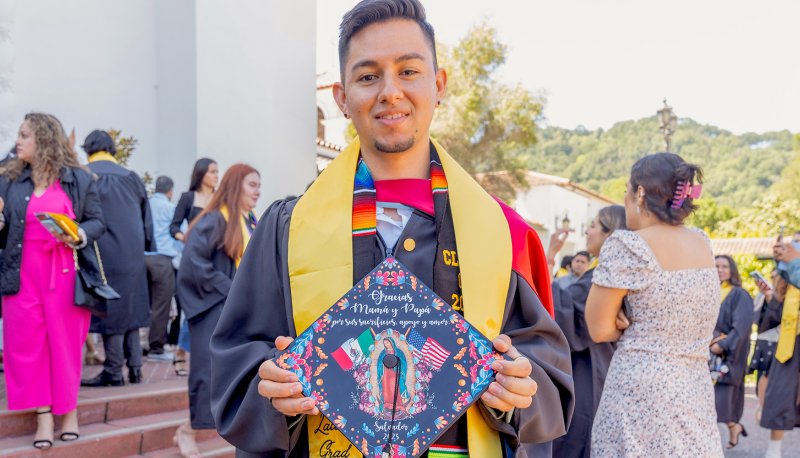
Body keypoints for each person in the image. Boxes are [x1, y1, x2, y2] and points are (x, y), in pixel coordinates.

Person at [210, 1, 574, 456]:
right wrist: (272, 389)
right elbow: (237, 367)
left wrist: (519, 389)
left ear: (438, 85)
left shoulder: (502, 234)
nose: (390, 92)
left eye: (408, 71)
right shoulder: (287, 230)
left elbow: (547, 376)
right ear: (342, 98)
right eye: (368, 77)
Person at [586, 152, 723, 457]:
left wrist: (624, 320)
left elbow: (599, 329)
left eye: (626, 189)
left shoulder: (628, 244)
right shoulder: (701, 242)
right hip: (693, 387)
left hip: (641, 388)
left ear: (640, 193)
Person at [0, 113, 105, 449]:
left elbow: (97, 222)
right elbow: (5, 228)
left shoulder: (79, 179)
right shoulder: (9, 179)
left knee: (65, 345)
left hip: (63, 273)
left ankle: (68, 413)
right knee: (26, 346)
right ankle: (44, 417)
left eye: (24, 135)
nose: (18, 141)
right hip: (20, 274)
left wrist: (78, 235)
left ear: (44, 139)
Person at [173, 163, 260, 457]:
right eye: (252, 185)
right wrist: (231, 289)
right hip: (213, 307)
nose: (257, 192)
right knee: (209, 374)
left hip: (238, 311)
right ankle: (188, 430)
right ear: (236, 186)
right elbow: (194, 265)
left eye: (259, 186)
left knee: (235, 375)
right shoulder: (213, 220)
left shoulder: (250, 222)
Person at [551, 205, 626, 458]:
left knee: (578, 437)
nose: (587, 232)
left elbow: (567, 313)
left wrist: (547, 257)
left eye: (593, 226)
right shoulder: (614, 272)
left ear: (610, 234)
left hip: (589, 368)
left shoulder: (605, 276)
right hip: (605, 365)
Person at [80, 130, 154, 387]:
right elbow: (147, 220)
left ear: (88, 148)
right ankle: (135, 368)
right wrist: (146, 245)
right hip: (132, 252)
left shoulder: (85, 174)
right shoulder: (132, 177)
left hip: (102, 250)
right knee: (130, 307)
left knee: (110, 308)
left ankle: (113, 370)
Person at [169, 158, 219, 376]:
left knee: (212, 308)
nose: (216, 176)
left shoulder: (220, 198)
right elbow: (173, 227)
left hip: (216, 259)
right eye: (212, 171)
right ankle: (181, 350)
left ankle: (202, 353)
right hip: (193, 259)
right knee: (192, 307)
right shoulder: (188, 197)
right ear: (201, 174)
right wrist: (185, 239)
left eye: (217, 172)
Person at [760, 239, 800, 458]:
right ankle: (774, 450)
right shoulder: (789, 280)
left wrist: (793, 261)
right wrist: (782, 262)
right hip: (789, 342)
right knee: (780, 393)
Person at [710, 255, 753, 448]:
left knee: (722, 400)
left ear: (732, 270)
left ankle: (731, 427)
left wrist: (722, 346)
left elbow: (741, 327)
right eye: (716, 266)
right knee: (708, 400)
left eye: (725, 266)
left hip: (727, 355)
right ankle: (734, 426)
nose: (720, 270)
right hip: (707, 353)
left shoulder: (739, 295)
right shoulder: (709, 292)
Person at [145, 175, 180, 360]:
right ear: (170, 191)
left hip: (142, 258)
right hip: (162, 260)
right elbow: (180, 235)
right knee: (161, 305)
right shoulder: (170, 208)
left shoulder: (146, 205)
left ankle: (140, 344)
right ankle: (156, 348)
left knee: (144, 303)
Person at [748, 270, 782, 419]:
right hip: (765, 343)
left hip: (782, 343)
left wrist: (771, 299)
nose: (774, 280)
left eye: (778, 277)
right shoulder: (763, 296)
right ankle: (762, 408)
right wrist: (766, 296)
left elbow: (778, 319)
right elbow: (756, 319)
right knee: (764, 375)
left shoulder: (787, 296)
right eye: (772, 277)